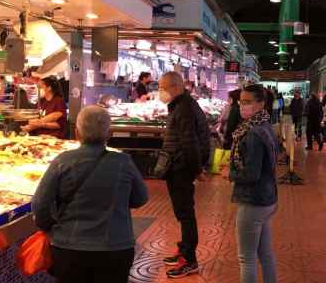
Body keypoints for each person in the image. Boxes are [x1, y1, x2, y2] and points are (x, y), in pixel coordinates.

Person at [31, 106, 148, 283]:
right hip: (116, 248)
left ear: (77, 133)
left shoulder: (62, 161)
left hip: (69, 247)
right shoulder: (124, 161)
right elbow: (141, 198)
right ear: (109, 134)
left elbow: (40, 204)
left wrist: (48, 227)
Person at [158, 72, 210, 278]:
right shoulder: (181, 105)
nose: (160, 91)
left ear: (176, 87)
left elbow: (191, 144)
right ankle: (183, 250)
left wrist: (197, 170)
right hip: (178, 167)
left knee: (186, 214)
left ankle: (190, 260)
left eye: (162, 87)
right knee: (182, 213)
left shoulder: (184, 108)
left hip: (181, 168)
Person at [229, 84, 279, 283]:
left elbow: (251, 174)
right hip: (268, 198)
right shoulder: (266, 126)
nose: (243, 106)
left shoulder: (253, 133)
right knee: (265, 254)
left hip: (253, 200)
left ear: (261, 103)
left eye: (248, 102)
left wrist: (231, 173)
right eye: (241, 101)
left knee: (246, 258)